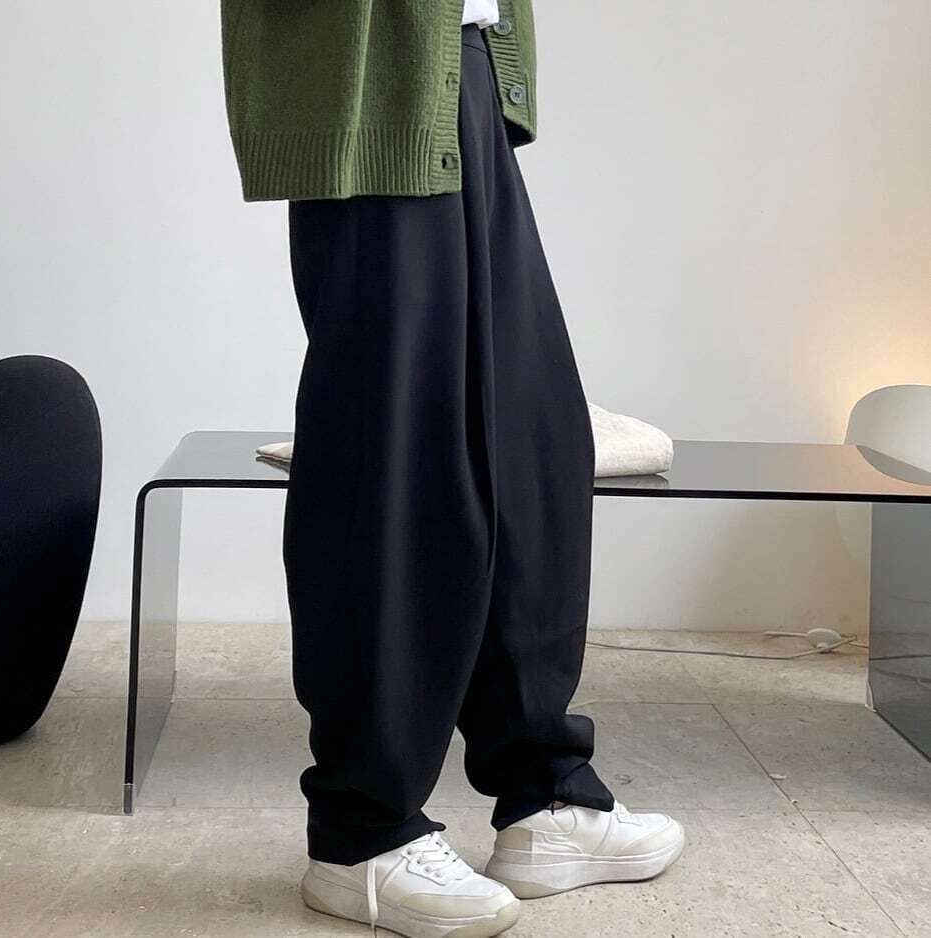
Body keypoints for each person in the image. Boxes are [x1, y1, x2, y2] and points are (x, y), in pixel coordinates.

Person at [221, 2, 684, 935]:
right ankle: (362, 832)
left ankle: (544, 794)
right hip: (371, 81)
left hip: (458, 61)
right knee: (395, 461)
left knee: (534, 443)